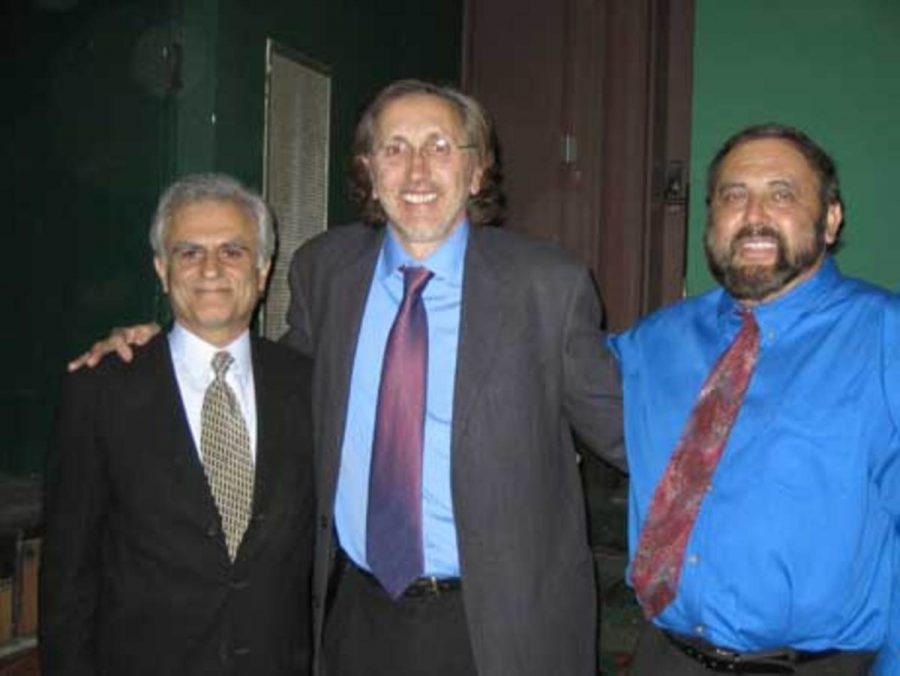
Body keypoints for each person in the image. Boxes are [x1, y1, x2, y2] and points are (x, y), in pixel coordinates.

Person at [67, 79, 625, 676]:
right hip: (355, 617)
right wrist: (163, 346)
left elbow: (628, 435)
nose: (415, 170)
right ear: (368, 170)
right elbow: (269, 385)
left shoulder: (548, 287)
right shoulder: (326, 272)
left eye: (440, 146)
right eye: (393, 149)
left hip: (498, 626)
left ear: (477, 172)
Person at [609, 123, 900, 675]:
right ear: (711, 221)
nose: (754, 214)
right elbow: (554, 376)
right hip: (663, 657)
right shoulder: (655, 342)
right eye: (733, 195)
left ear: (831, 219)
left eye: (782, 194)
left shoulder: (886, 336)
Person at [40, 174, 316, 675]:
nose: (210, 268)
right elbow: (68, 579)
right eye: (189, 252)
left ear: (263, 270)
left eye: (232, 250)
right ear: (162, 270)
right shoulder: (101, 391)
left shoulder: (310, 386)